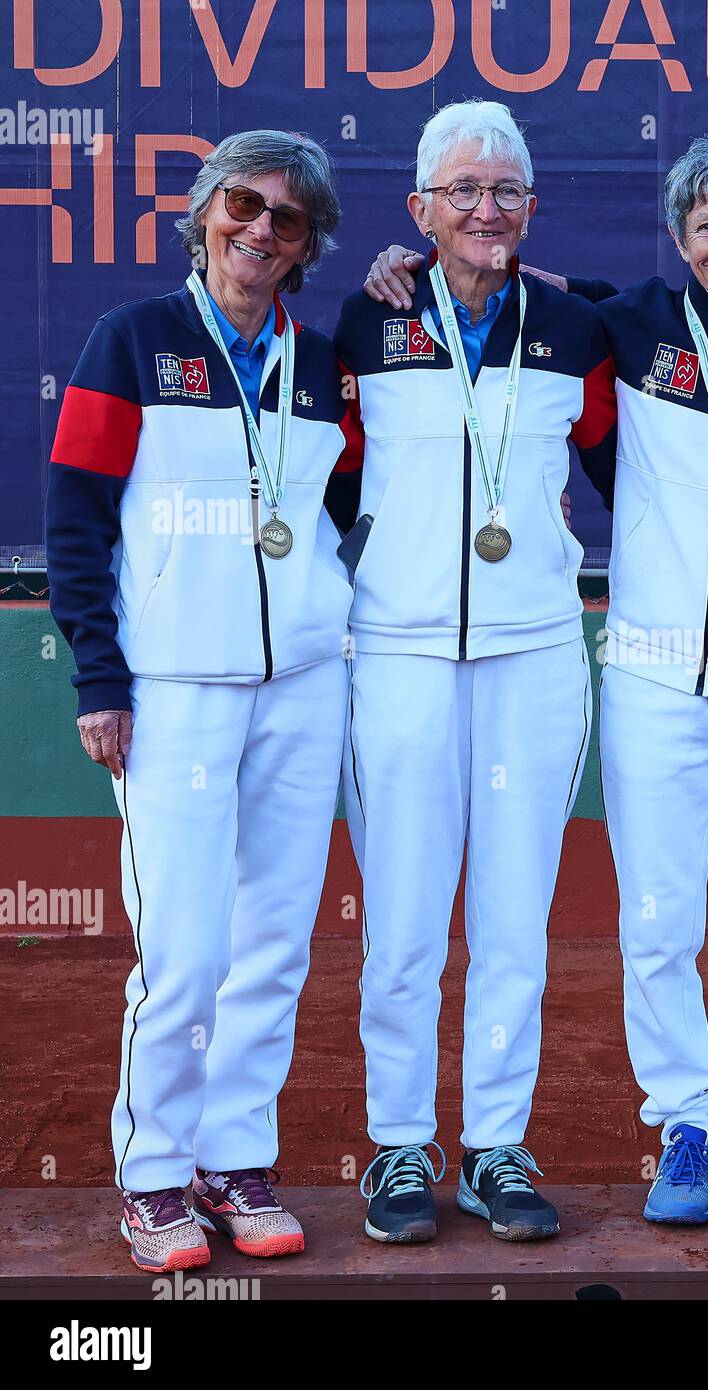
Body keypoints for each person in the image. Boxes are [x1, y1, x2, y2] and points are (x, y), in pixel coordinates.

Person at [365, 132, 708, 1228]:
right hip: (648, 668)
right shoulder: (620, 327)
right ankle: (681, 1118)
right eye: (707, 224)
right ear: (678, 239)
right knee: (659, 914)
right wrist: (407, 262)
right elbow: (500, 282)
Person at [46, 130, 356, 1271]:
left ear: (308, 243)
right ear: (206, 214)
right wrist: (99, 676)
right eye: (243, 204)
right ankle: (154, 1173)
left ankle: (235, 1158)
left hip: (303, 686)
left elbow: (350, 507)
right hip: (172, 689)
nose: (260, 229)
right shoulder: (129, 341)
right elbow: (77, 517)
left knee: (272, 941)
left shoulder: (323, 365)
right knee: (181, 947)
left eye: (287, 217)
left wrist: (321, 602)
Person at [333, 99, 616, 1245]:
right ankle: (400, 1144)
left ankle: (496, 1142)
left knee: (513, 919)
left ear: (531, 206)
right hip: (396, 653)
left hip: (536, 657)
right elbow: (330, 486)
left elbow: (628, 466)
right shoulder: (364, 325)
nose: (485, 209)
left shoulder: (579, 332)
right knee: (401, 917)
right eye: (462, 191)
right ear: (419, 210)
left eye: (505, 191)